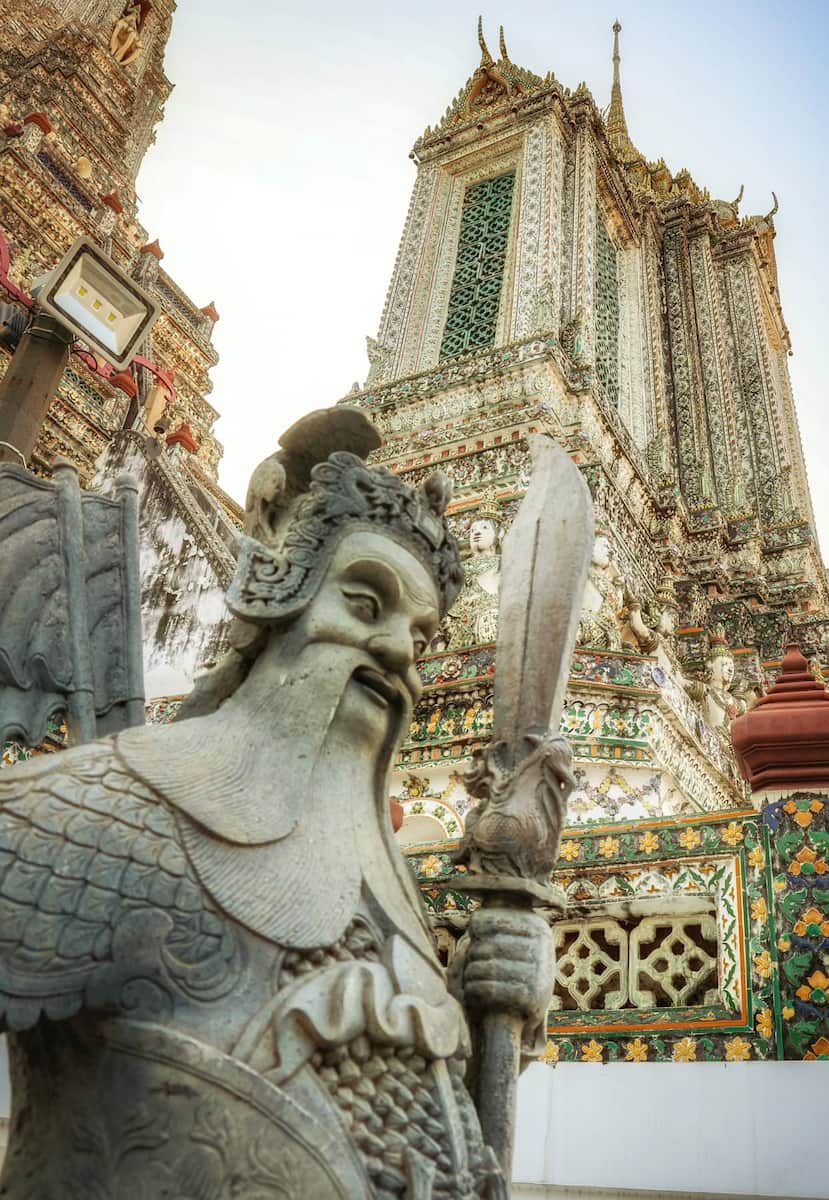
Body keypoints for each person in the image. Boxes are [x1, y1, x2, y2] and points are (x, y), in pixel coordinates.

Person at [0, 413, 553, 1198]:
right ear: (277, 594)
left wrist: (494, 1004)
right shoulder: (108, 813)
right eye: (365, 604)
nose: (400, 650)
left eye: (420, 637)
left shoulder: (395, 908)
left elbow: (413, 1110)